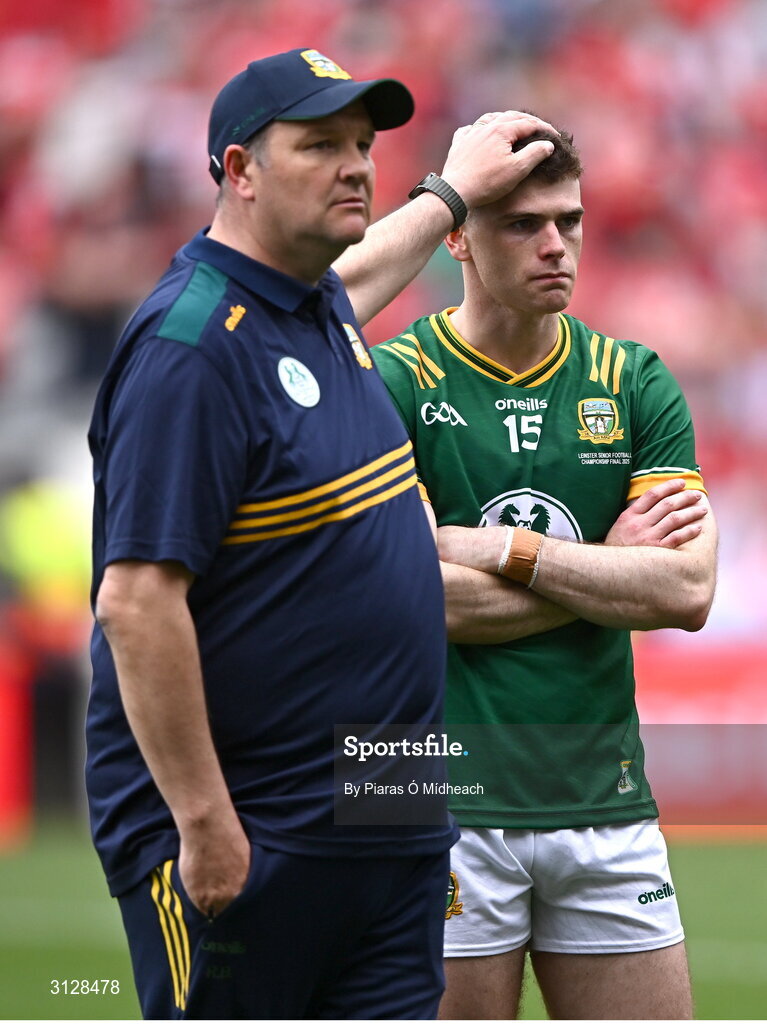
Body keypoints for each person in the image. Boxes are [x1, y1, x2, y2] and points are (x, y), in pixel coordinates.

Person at [85, 46, 558, 1020]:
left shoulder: (311, 306)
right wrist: (204, 821)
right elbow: (135, 603)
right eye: (318, 145)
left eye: (360, 143)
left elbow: (363, 269)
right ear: (238, 172)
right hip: (255, 833)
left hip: (382, 828)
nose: (354, 164)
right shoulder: (191, 348)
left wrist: (449, 194)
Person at [371, 124, 718, 1020]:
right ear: (456, 237)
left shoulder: (633, 378)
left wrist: (497, 548)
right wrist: (608, 572)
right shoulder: (390, 381)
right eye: (522, 224)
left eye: (567, 219)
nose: (555, 244)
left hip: (600, 789)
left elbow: (685, 591)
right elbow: (406, 602)